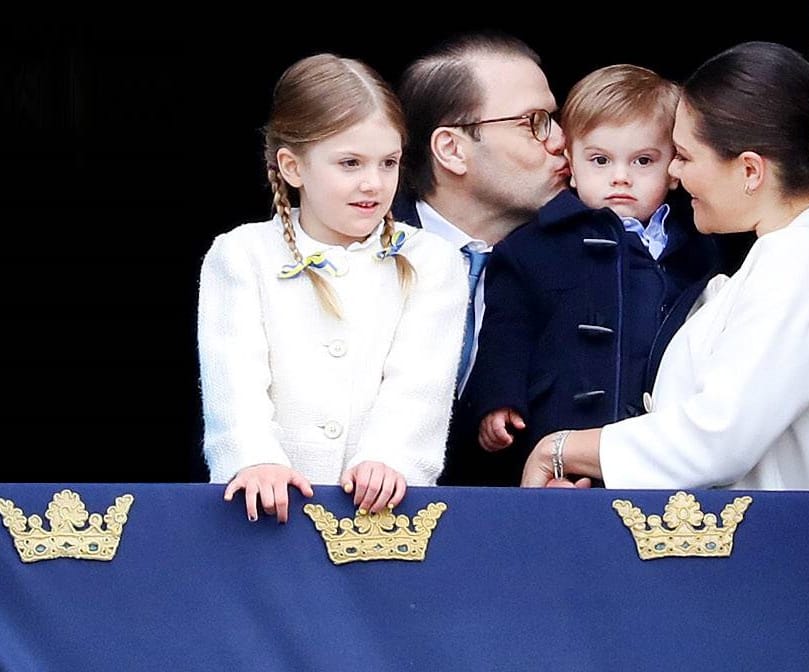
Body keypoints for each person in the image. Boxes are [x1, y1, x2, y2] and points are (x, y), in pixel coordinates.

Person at [521, 41, 809, 491]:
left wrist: (560, 449)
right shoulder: (793, 253)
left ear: (750, 170)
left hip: (752, 551)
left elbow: (715, 439)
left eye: (685, 157)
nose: (675, 177)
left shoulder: (802, 262)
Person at [197, 53, 468, 522]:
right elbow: (234, 374)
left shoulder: (432, 260)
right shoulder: (241, 254)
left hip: (381, 512)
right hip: (265, 510)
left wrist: (391, 457)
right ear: (292, 167)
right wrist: (254, 456)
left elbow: (421, 381)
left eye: (388, 163)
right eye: (350, 162)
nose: (373, 183)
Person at [467, 64, 731, 486]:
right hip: (559, 444)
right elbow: (506, 331)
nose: (620, 176)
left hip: (660, 456)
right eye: (600, 160)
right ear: (570, 161)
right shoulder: (531, 246)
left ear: (675, 166)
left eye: (644, 160)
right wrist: (498, 399)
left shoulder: (698, 249)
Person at [393, 31, 570, 485]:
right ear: (452, 149)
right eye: (535, 122)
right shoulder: (355, 251)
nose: (562, 141)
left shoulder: (589, 255)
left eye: (556, 119)